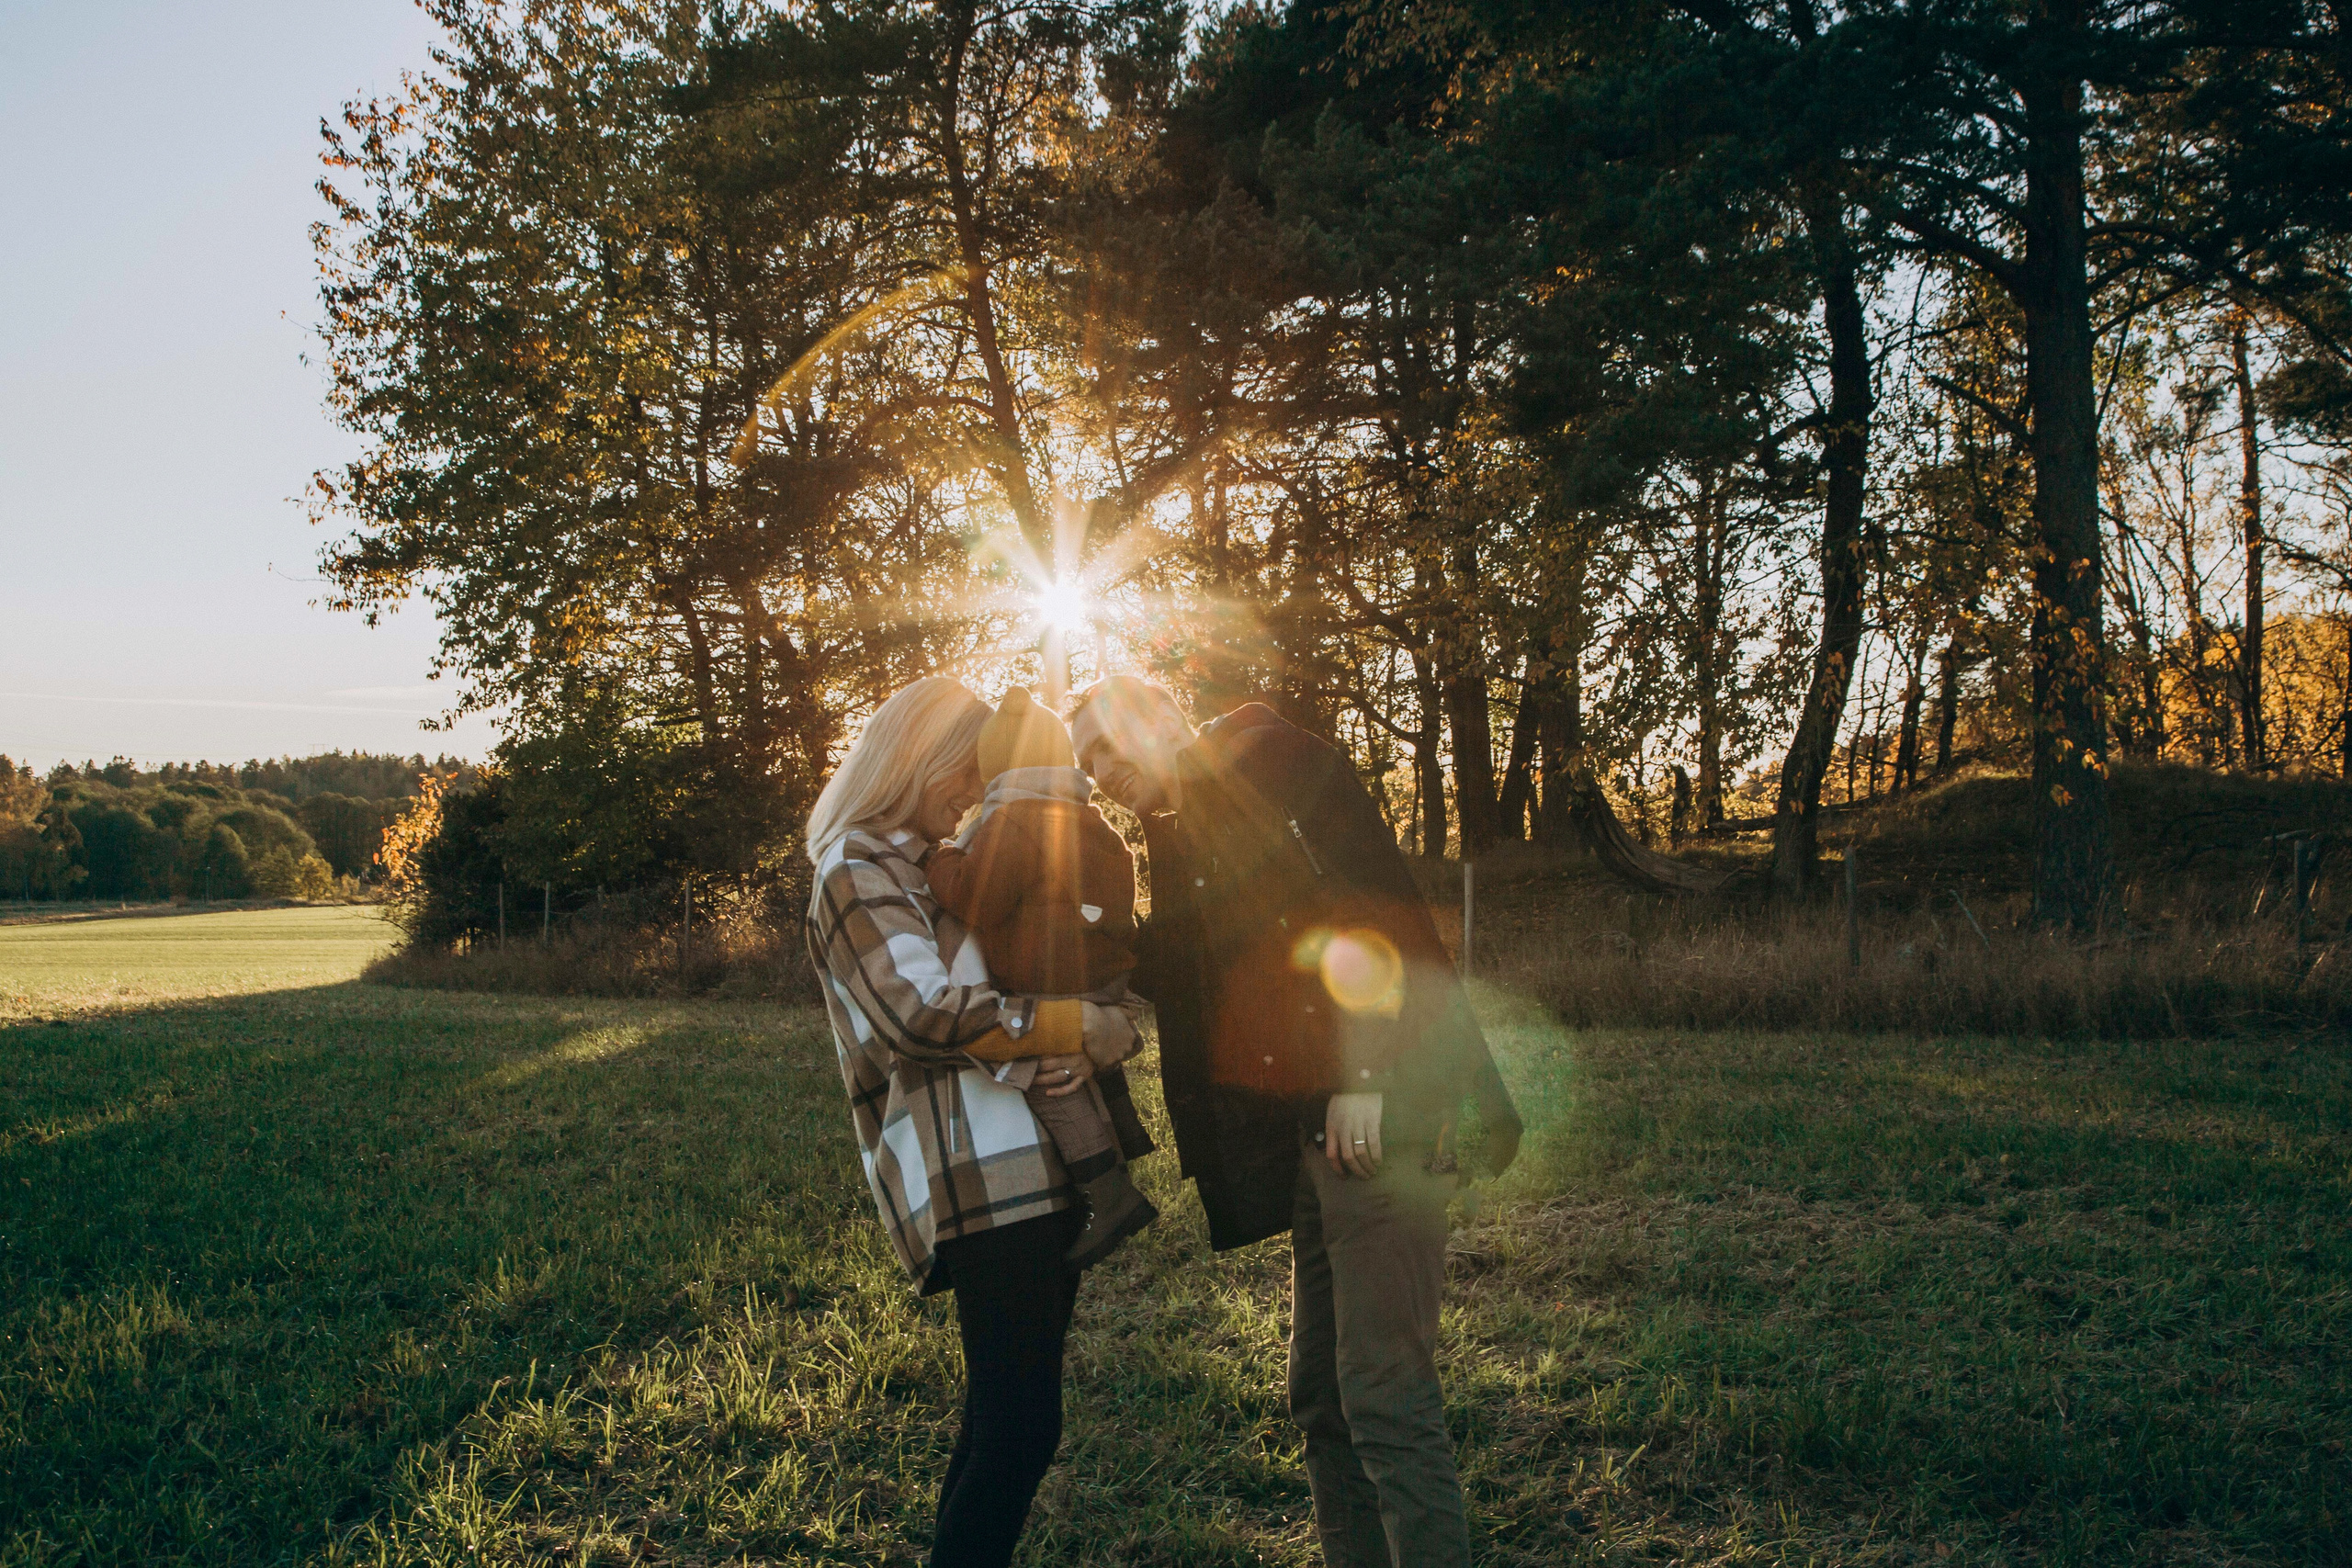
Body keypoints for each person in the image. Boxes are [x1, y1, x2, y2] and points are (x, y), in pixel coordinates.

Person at [1070, 675, 1522, 1568]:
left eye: (1109, 748)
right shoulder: (1179, 827)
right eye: (1086, 765)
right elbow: (1216, 974)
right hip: (1317, 1136)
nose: (1100, 776)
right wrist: (1089, 929)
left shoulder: (1263, 760)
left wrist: (1366, 1073)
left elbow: (1370, 909)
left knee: (1383, 1399)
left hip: (1383, 1113)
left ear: (1160, 717)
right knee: (1322, 1399)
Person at [803, 675, 1148, 1568]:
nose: (970, 794)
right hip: (980, 1179)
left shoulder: (934, 862)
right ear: (913, 757)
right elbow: (922, 1012)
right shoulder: (853, 868)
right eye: (962, 772)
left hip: (1035, 1166)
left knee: (1000, 1424)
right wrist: (1086, 1028)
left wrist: (1095, 1015)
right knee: (1020, 1430)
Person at [926, 686, 1158, 1268]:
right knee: (1084, 1071)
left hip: (1050, 980)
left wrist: (941, 859)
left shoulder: (1013, 822)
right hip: (1104, 975)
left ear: (995, 769)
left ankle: (1110, 1193)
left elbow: (977, 899)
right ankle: (1125, 1140)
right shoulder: (1099, 825)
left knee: (1045, 1077)